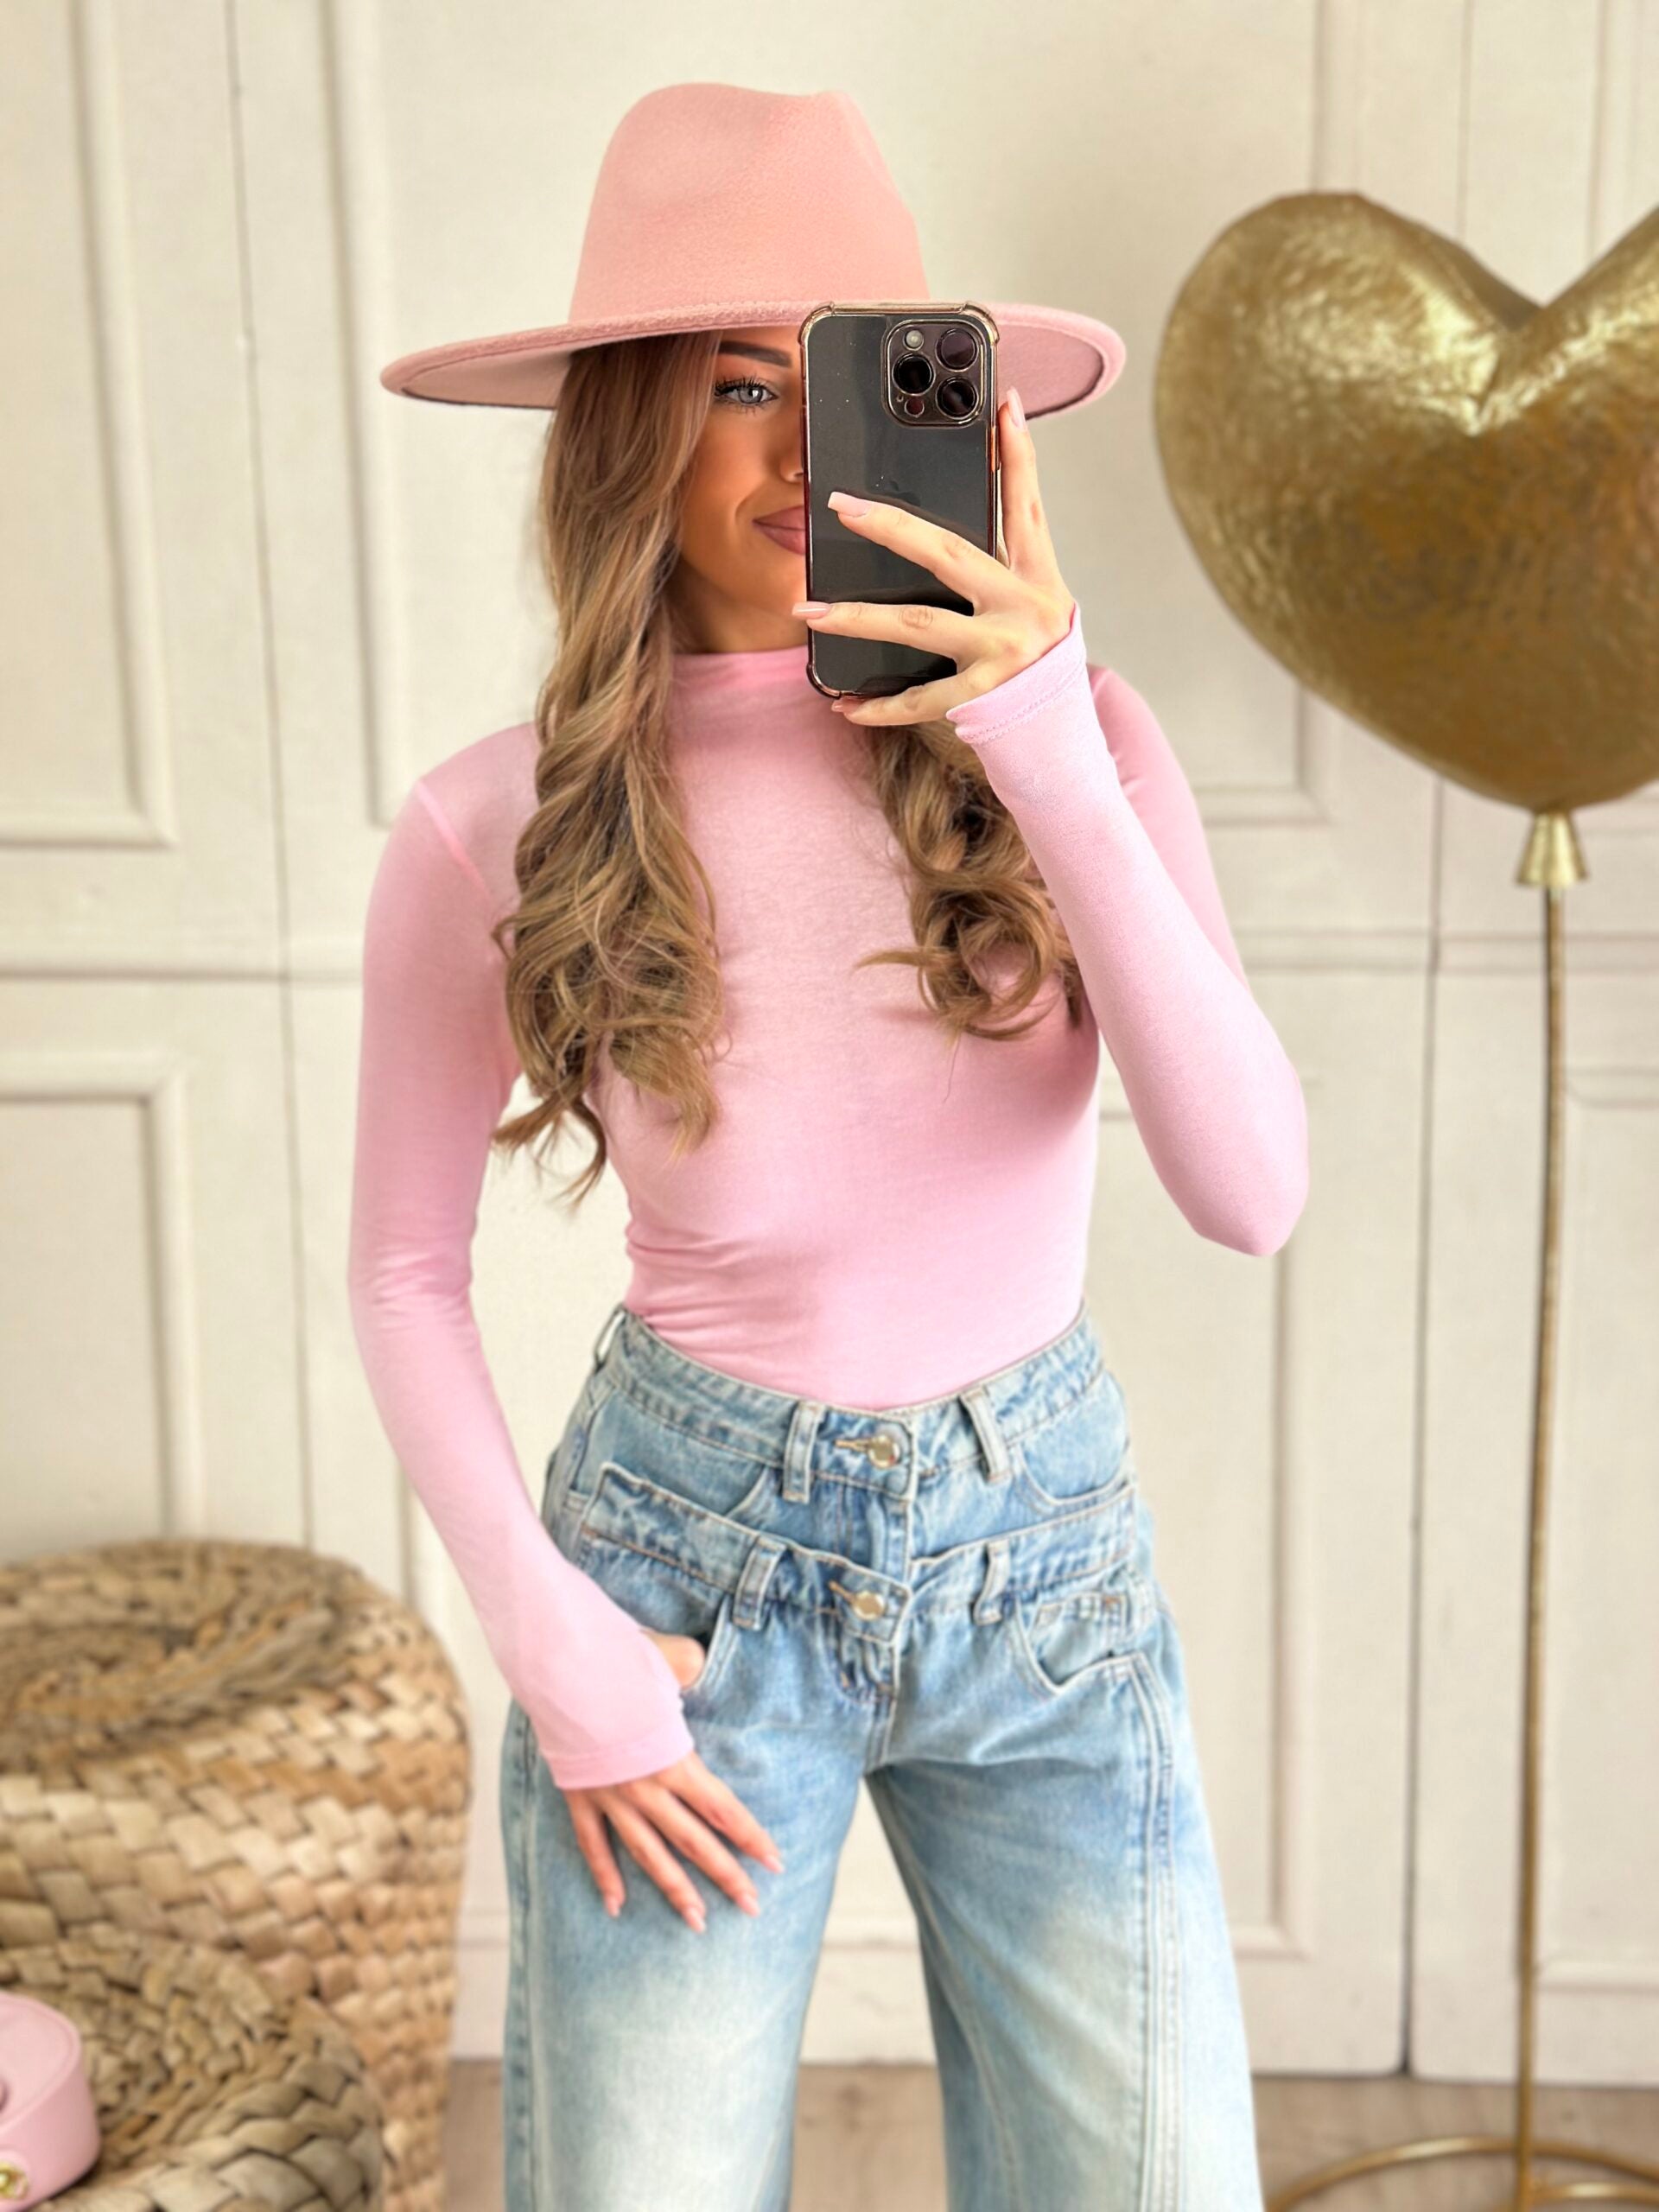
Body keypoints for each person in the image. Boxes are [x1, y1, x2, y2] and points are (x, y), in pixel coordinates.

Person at [349, 82, 1306, 2212]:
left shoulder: (1083, 745)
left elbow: (1251, 1189)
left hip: (1043, 1572)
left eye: (862, 379)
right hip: (684, 1584)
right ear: (629, 430)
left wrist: (1040, 726)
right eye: (735, 386)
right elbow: (404, 1271)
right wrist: (549, 1635)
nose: (803, 450)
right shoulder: (496, 822)